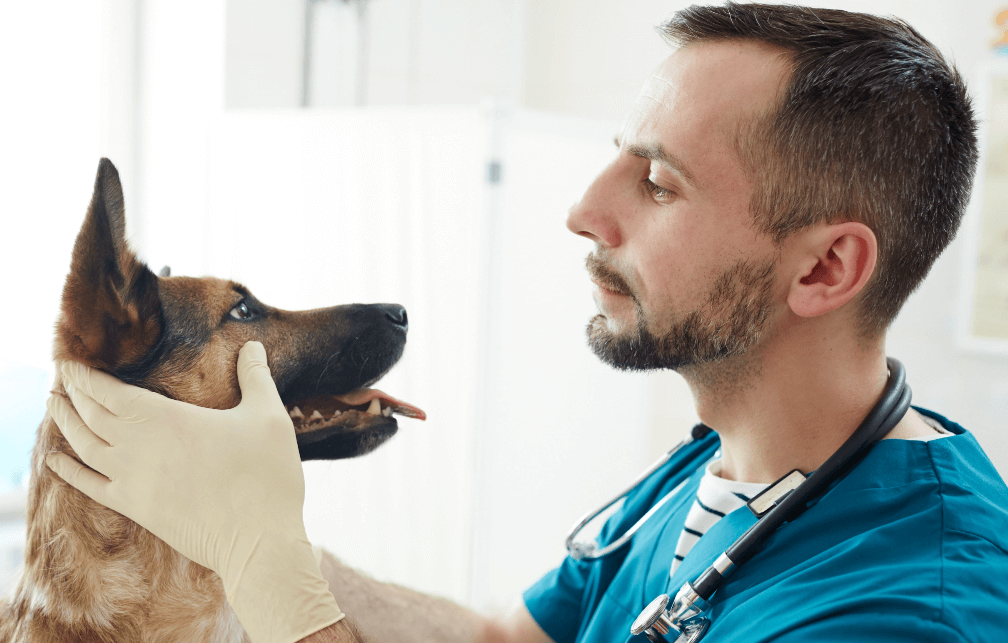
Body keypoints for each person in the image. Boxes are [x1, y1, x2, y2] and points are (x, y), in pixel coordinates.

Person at [44, 2, 1008, 642]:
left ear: (826, 267)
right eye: (614, 156)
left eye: (658, 181)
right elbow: (506, 642)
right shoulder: (717, 467)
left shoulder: (906, 606)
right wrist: (237, 529)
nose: (586, 208)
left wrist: (269, 571)